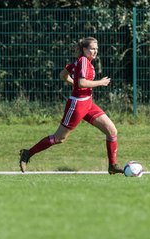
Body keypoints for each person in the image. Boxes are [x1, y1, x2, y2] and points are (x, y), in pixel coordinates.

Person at [19, 37, 124, 174]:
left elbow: (63, 75)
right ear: (84, 49)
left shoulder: (81, 61)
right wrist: (100, 82)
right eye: (92, 48)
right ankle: (27, 153)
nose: (95, 51)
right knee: (59, 138)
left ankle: (112, 166)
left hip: (88, 103)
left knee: (112, 131)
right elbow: (81, 83)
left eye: (97, 48)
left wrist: (75, 83)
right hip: (77, 105)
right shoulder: (84, 61)